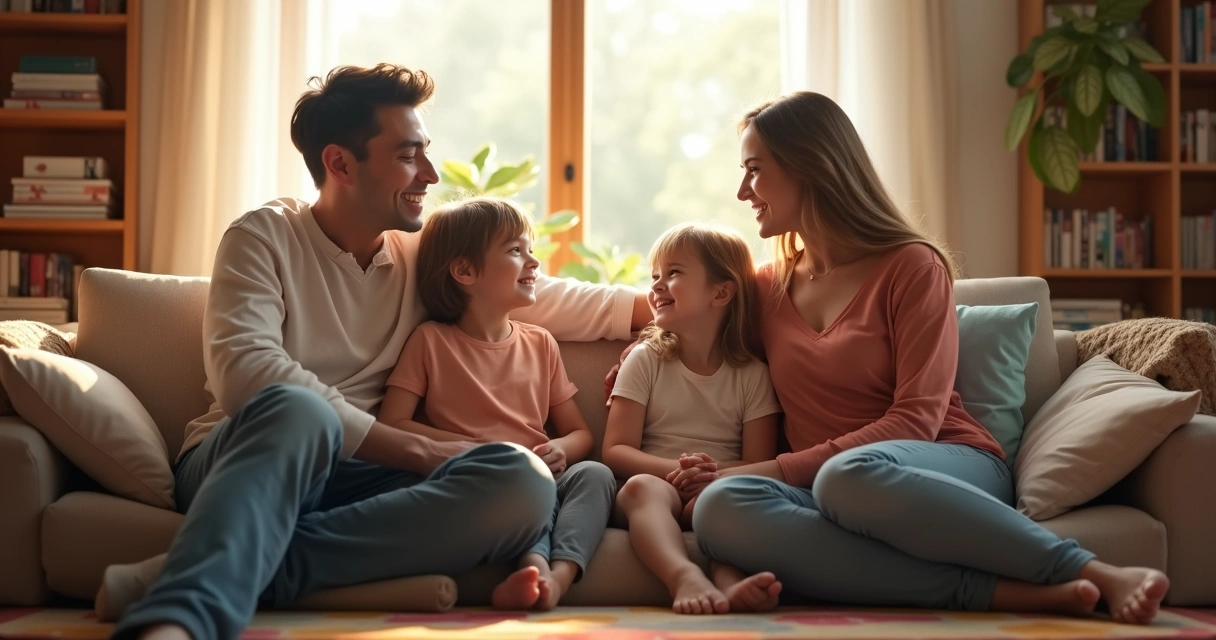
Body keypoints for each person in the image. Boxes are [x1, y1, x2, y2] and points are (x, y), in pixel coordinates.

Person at [100, 64, 650, 640]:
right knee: (298, 407)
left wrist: (680, 305)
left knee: (523, 480)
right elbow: (248, 374)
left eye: (427, 153)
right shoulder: (263, 236)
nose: (432, 174)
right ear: (340, 163)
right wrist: (413, 448)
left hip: (369, 478)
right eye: (409, 155)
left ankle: (202, 571)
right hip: (256, 458)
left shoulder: (419, 253)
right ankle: (175, 622)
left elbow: (552, 298)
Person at [663, 91, 1170, 624]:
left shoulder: (911, 266)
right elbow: (682, 312)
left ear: (809, 166)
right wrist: (648, 351)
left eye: (755, 171)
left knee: (847, 476)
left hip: (943, 466)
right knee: (721, 509)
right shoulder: (766, 289)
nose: (743, 191)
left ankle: (1092, 572)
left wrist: (767, 468)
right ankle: (999, 593)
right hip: (831, 486)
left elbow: (918, 419)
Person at [378, 197, 615, 611]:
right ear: (465, 271)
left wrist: (562, 449)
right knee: (522, 489)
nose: (533, 261)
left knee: (595, 474)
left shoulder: (541, 343)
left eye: (531, 249)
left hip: (542, 473)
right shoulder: (430, 341)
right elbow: (393, 422)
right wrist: (476, 452)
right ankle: (535, 568)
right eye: (515, 251)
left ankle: (555, 579)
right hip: (478, 479)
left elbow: (581, 433)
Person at [603, 222, 781, 615]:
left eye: (674, 273)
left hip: (716, 484)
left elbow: (757, 462)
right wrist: (677, 472)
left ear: (721, 292)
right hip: (655, 483)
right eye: (655, 276)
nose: (657, 286)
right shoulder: (644, 359)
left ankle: (729, 580)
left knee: (729, 502)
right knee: (640, 490)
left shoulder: (753, 375)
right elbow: (615, 450)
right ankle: (682, 575)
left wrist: (711, 476)